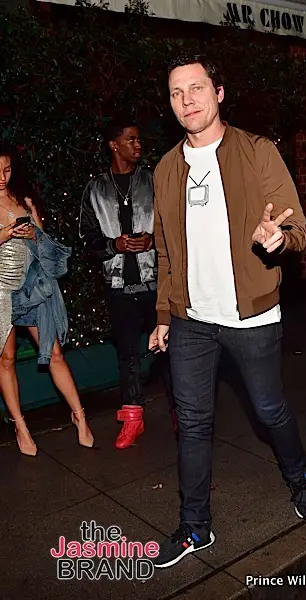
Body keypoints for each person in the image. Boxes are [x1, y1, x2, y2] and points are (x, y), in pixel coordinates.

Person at [149, 54, 306, 569]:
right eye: (177, 93)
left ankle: (300, 475)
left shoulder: (256, 151)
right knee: (192, 423)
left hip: (251, 317)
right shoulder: (166, 169)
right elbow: (164, 251)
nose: (187, 101)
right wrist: (164, 314)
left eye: (197, 88)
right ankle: (195, 527)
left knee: (268, 410)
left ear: (218, 92)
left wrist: (279, 238)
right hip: (190, 320)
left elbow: (297, 228)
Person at [79, 117, 174, 450]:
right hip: (118, 286)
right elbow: (87, 239)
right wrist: (114, 245)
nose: (138, 145)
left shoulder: (153, 181)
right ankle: (133, 419)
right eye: (130, 139)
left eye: (138, 139)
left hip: (155, 284)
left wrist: (153, 241)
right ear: (113, 145)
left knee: (169, 351)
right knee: (128, 356)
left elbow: (174, 226)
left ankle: (182, 413)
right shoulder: (95, 189)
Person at [0, 142, 94, 456]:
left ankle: (80, 416)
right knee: (6, 359)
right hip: (0, 290)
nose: (2, 177)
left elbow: (45, 246)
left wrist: (34, 234)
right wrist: (5, 234)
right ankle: (20, 426)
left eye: (7, 170)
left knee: (54, 353)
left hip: (31, 288)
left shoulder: (24, 201)